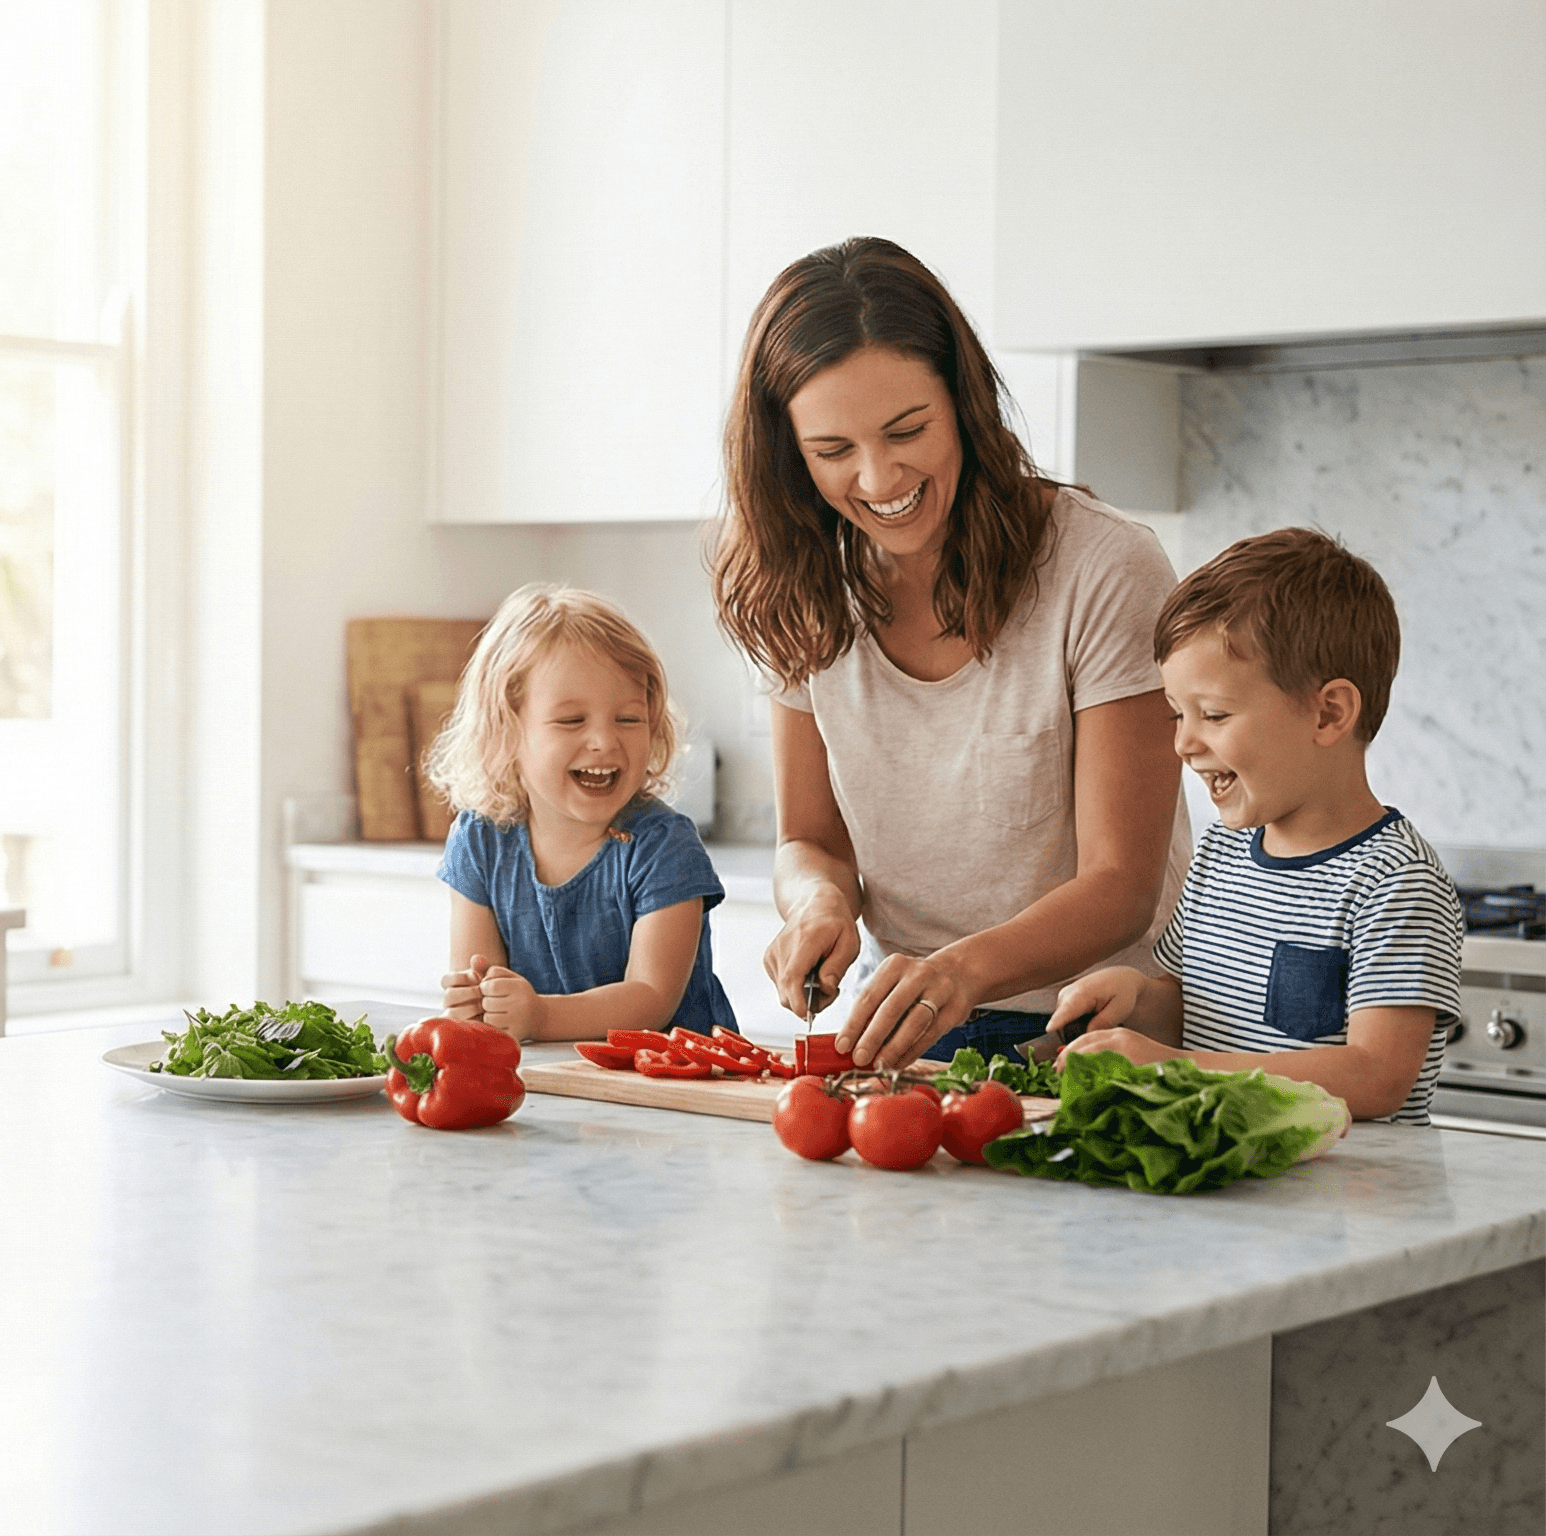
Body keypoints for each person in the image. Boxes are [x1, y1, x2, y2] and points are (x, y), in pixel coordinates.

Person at [711, 237, 1187, 1068]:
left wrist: (957, 972)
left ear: (964, 403)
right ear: (789, 453)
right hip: (911, 1021)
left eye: (907, 430)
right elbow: (810, 840)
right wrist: (819, 904)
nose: (878, 477)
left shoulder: (1103, 566)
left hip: (1099, 1027)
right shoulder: (806, 586)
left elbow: (1121, 887)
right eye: (833, 452)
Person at [1044, 530, 1462, 1122]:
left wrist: (1175, 1067)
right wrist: (1136, 1000)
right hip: (1231, 1172)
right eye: (1177, 714)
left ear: (1329, 713)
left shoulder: (1396, 883)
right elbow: (1194, 1010)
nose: (1184, 743)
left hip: (1349, 1181)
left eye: (1213, 715)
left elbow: (1376, 1077)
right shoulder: (1224, 852)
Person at [426, 583, 736, 1042]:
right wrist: (476, 1003)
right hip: (549, 1078)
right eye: (572, 721)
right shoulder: (480, 840)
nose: (605, 741)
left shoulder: (664, 846)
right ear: (506, 731)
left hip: (672, 1078)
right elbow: (483, 986)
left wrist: (540, 1017)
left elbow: (652, 998)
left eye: (629, 719)